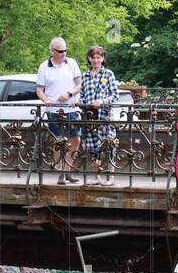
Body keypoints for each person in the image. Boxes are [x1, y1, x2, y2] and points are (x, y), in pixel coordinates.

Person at [36, 36, 82, 183]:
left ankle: (68, 170)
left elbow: (80, 84)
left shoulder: (72, 63)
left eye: (65, 50)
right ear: (52, 51)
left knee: (75, 139)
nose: (64, 53)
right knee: (59, 141)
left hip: (71, 109)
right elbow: (39, 90)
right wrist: (46, 100)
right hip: (54, 111)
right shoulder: (44, 67)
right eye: (61, 51)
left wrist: (71, 94)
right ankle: (61, 173)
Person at [79, 45, 120, 186]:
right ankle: (97, 177)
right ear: (89, 59)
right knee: (92, 147)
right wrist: (81, 103)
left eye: (99, 57)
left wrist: (102, 102)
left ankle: (110, 178)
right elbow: (82, 96)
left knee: (109, 145)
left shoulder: (108, 74)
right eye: (93, 57)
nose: (96, 60)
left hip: (105, 116)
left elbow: (115, 95)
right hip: (90, 117)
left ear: (102, 58)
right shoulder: (84, 76)